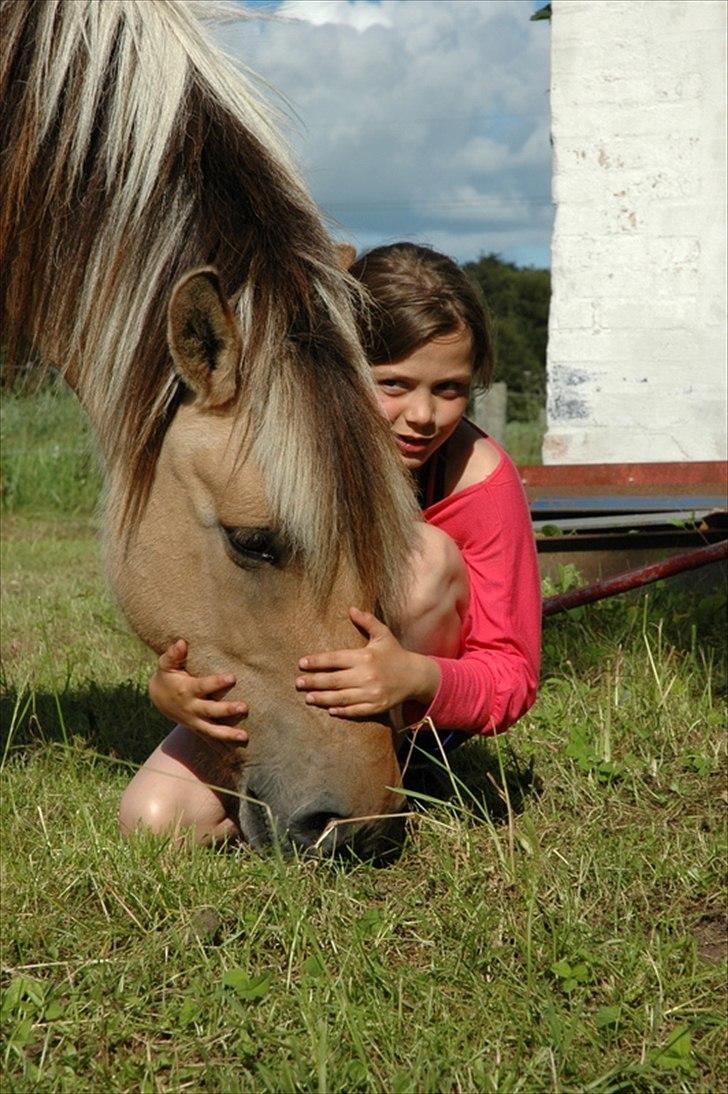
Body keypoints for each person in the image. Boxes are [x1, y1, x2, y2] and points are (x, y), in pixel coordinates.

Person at [119, 242, 541, 842]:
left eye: (450, 389)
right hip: (294, 685)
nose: (422, 414)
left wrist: (415, 678)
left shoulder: (481, 480)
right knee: (152, 822)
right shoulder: (290, 469)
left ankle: (405, 765)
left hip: (413, 706)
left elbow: (514, 674)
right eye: (393, 384)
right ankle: (291, 776)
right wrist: (171, 689)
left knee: (422, 559)